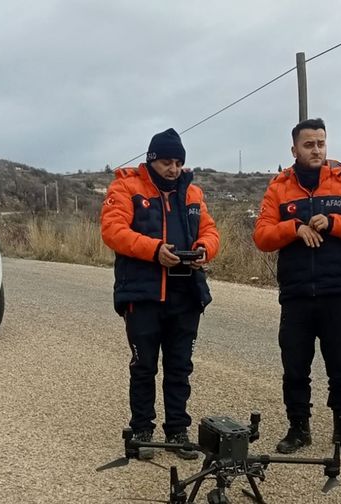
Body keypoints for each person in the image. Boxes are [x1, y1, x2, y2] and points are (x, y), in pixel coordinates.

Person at [253, 118, 341, 455]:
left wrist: (335, 222)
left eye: (321, 143)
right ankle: (298, 429)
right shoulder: (278, 188)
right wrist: (293, 228)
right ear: (294, 149)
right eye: (309, 144)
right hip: (295, 296)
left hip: (336, 293)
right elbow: (262, 236)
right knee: (295, 367)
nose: (317, 150)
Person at [100, 128, 220, 461]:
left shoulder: (193, 193)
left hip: (186, 295)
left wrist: (203, 249)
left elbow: (210, 231)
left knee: (180, 367)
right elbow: (113, 230)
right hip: (143, 295)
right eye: (166, 161)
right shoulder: (126, 187)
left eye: (178, 162)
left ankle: (178, 430)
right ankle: (142, 430)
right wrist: (154, 251)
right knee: (144, 366)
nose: (173, 168)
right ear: (152, 160)